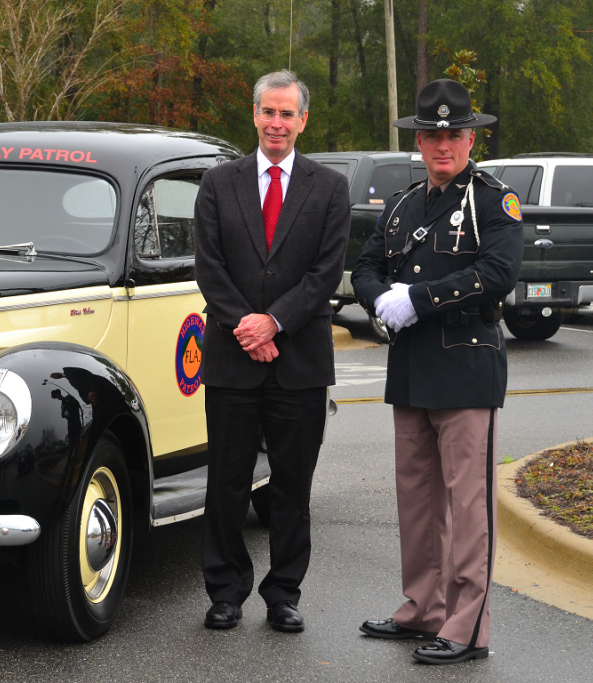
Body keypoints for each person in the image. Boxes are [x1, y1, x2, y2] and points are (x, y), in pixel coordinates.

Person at [350, 79, 523, 664]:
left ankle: (468, 625)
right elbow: (367, 265)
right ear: (417, 141)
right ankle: (422, 608)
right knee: (417, 499)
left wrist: (417, 299)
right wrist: (380, 300)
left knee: (468, 505)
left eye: (453, 134)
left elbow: (498, 273)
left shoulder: (492, 199)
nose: (442, 145)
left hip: (467, 369)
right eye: (431, 135)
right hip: (412, 371)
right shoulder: (402, 205)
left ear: (470, 138)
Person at [193, 70, 350, 631]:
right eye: (268, 112)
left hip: (300, 362)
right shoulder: (218, 184)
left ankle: (283, 592)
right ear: (254, 114)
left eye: (288, 114)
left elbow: (325, 273)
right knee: (227, 482)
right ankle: (226, 590)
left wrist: (275, 324)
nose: (277, 123)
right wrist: (248, 328)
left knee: (291, 485)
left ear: (303, 120)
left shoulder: (329, 188)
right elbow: (209, 269)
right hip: (233, 360)